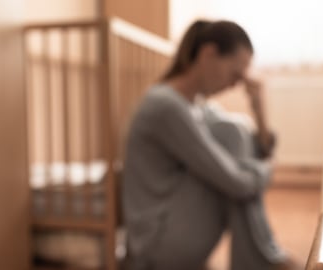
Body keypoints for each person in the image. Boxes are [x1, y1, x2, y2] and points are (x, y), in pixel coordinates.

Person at [123, 19, 298, 270]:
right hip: (156, 245)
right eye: (235, 74)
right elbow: (237, 182)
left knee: (234, 131)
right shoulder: (165, 105)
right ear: (208, 54)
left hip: (175, 230)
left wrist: (259, 107)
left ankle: (265, 257)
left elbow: (254, 149)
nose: (236, 84)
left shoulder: (197, 105)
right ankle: (267, 257)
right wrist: (268, 169)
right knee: (231, 138)